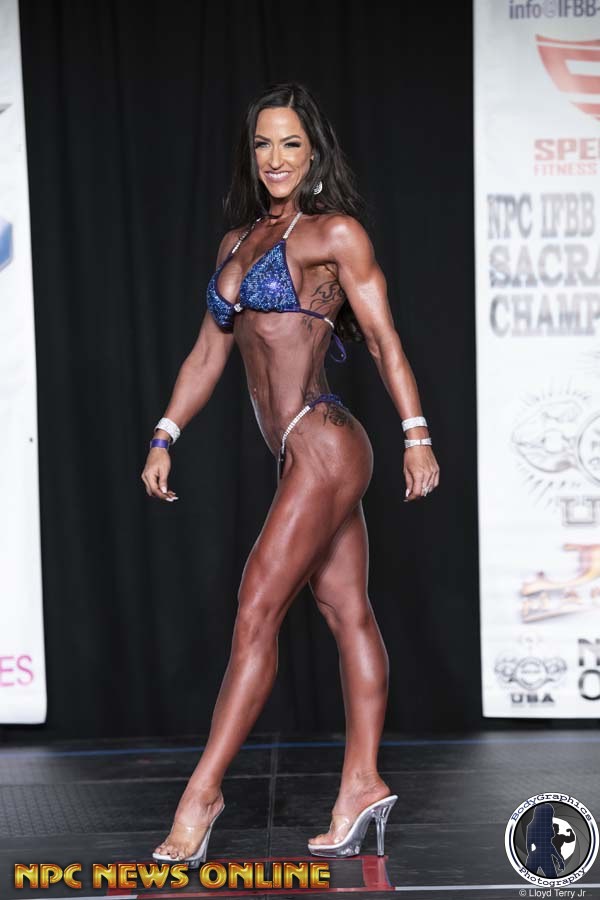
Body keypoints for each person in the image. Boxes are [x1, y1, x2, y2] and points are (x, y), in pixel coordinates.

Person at [141, 82, 439, 867]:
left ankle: (201, 794)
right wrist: (166, 434)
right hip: (300, 454)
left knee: (255, 611)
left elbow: (383, 339)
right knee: (347, 612)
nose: (275, 158)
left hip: (325, 441)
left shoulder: (334, 233)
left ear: (314, 154)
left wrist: (415, 435)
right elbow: (207, 353)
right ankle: (362, 785)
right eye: (263, 143)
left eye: (291, 144)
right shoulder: (236, 242)